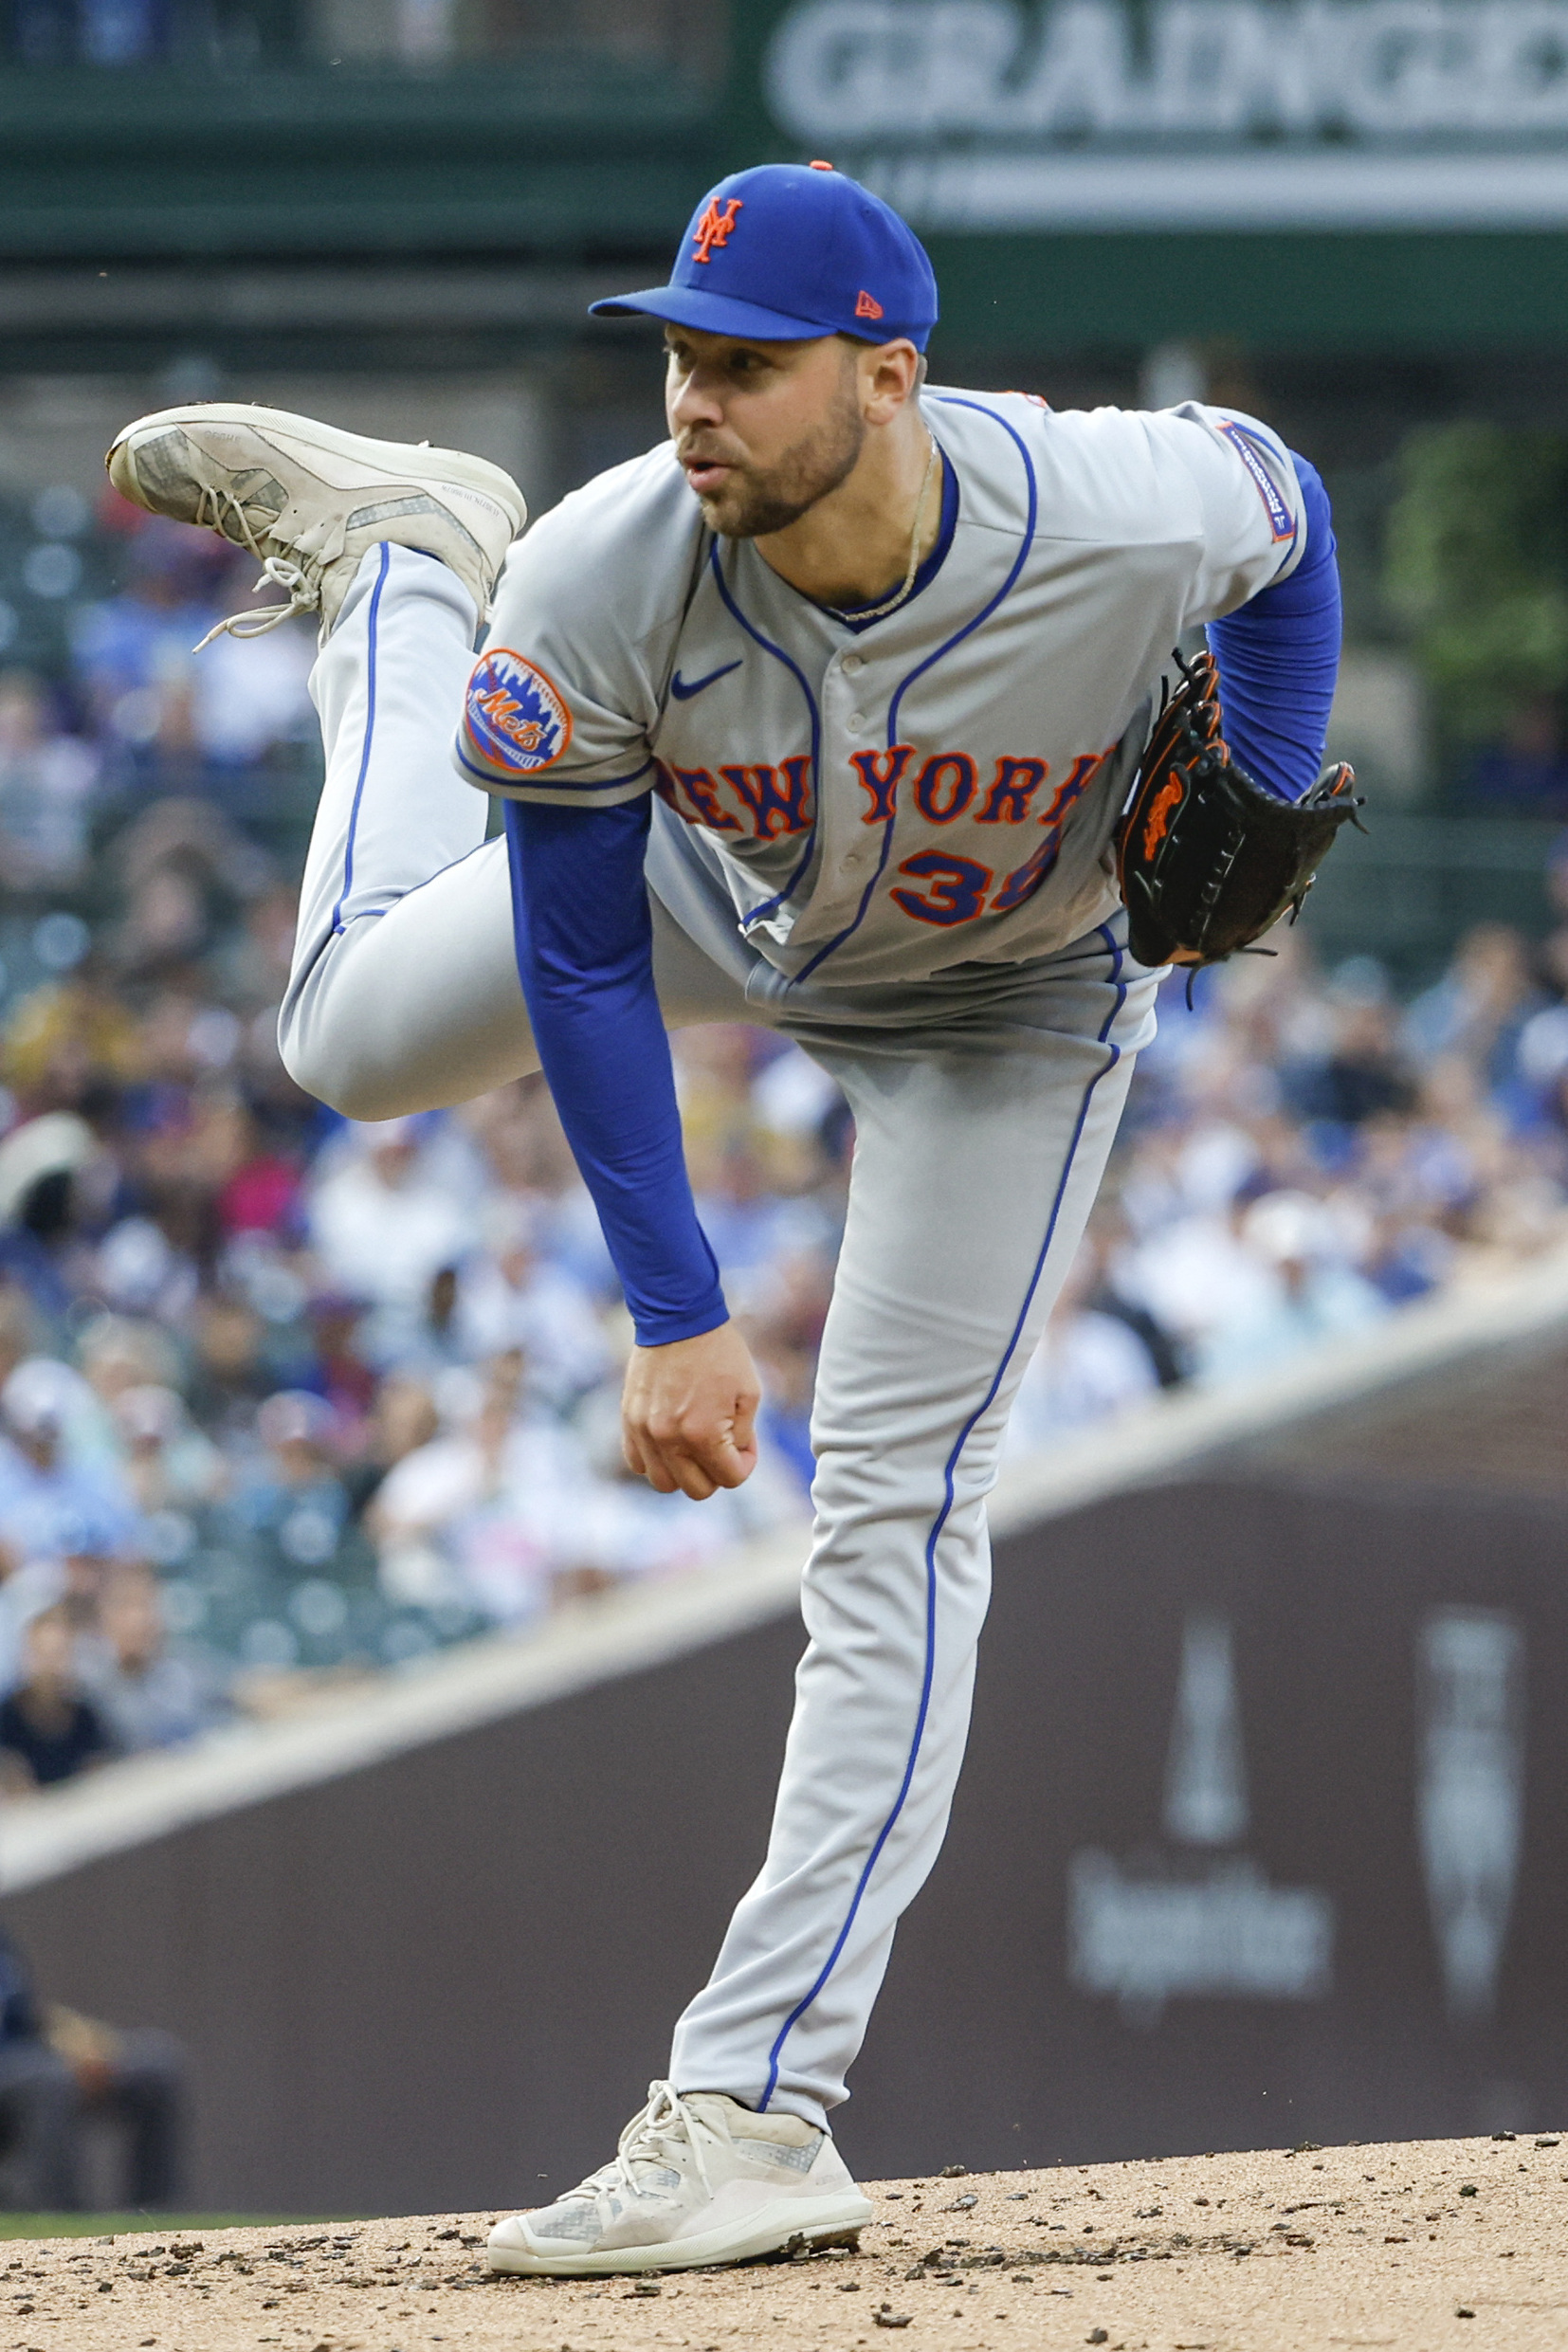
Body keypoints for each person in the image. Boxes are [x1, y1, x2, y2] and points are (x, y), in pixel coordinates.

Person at [106, 160, 1342, 2274]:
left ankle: (757, 2103)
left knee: (897, 1499)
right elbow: (580, 957)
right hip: (715, 888)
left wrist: (1265, 774)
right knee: (340, 1037)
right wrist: (672, 1307)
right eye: (676, 358)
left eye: (745, 368)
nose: (691, 403)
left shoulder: (1108, 504)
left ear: (887, 373)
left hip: (1014, 998)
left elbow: (1289, 511)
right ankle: (411, 578)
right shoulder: (606, 568)